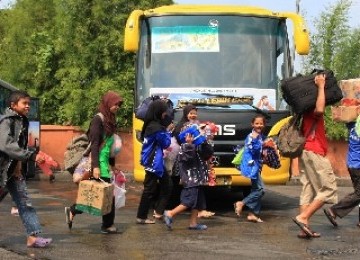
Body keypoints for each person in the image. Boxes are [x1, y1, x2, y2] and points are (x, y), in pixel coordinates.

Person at [65, 91, 123, 234]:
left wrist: (113, 164)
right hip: (97, 162)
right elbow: (95, 145)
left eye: (119, 105)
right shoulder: (98, 119)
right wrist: (95, 167)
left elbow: (109, 146)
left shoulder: (111, 119)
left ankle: (73, 210)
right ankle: (107, 225)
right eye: (116, 104)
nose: (117, 107)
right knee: (105, 194)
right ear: (108, 103)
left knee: (100, 194)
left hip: (105, 162)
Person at [0, 90, 52, 248]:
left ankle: (33, 236)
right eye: (25, 103)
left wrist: (20, 165)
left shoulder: (23, 120)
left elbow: (20, 145)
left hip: (13, 171)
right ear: (13, 105)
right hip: (1, 170)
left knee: (24, 203)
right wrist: (31, 156)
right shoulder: (6, 121)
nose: (28, 106)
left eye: (29, 103)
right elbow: (6, 145)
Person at [292, 73, 338, 238]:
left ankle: (303, 229)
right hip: (314, 150)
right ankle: (303, 217)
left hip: (306, 150)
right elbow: (319, 109)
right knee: (329, 188)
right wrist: (320, 86)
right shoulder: (312, 106)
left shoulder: (303, 107)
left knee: (308, 189)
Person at [163, 126, 214, 230]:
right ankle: (170, 213)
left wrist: (204, 141)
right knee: (189, 201)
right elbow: (187, 157)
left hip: (198, 179)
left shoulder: (198, 146)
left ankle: (193, 223)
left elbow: (208, 153)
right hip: (191, 180)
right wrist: (189, 144)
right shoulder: (184, 147)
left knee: (198, 202)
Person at [170, 104, 215, 218]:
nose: (193, 115)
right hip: (188, 163)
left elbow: (203, 142)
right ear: (186, 114)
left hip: (196, 161)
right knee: (190, 192)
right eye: (191, 113)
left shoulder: (198, 126)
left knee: (197, 188)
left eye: (195, 113)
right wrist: (189, 144)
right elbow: (182, 147)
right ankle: (169, 213)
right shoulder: (181, 127)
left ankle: (195, 219)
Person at [136, 99, 174, 224]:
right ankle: (142, 217)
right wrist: (168, 130)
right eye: (164, 112)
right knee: (150, 189)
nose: (165, 115)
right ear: (158, 112)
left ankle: (157, 213)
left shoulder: (151, 124)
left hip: (154, 160)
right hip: (153, 161)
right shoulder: (156, 128)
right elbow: (166, 143)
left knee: (167, 185)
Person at [323, 119, 360, 227]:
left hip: (352, 163)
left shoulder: (353, 124)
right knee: (359, 193)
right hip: (358, 165)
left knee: (358, 192)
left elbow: (347, 117)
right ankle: (334, 211)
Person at [234, 115, 266, 223]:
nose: (259, 125)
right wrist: (264, 146)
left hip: (256, 164)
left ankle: (253, 214)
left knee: (255, 188)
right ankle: (241, 203)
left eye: (261, 123)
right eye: (257, 123)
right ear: (252, 124)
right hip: (251, 165)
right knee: (260, 190)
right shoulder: (252, 136)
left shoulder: (260, 135)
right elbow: (254, 150)